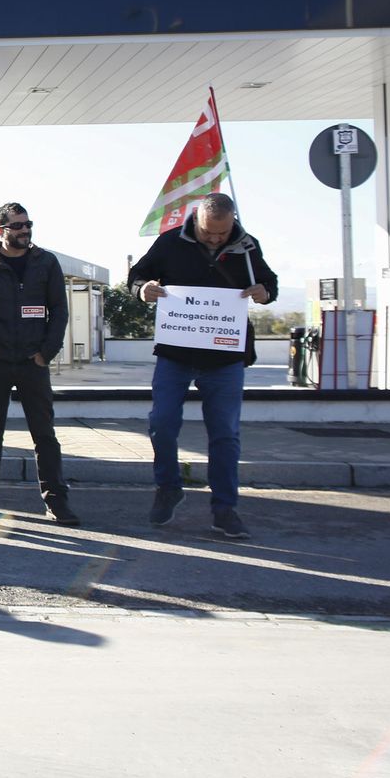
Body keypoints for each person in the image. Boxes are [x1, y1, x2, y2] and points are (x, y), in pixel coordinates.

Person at [129, 192, 277, 539]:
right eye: (209, 232)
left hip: (225, 359)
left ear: (233, 224)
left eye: (221, 234)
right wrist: (143, 289)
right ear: (196, 220)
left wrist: (263, 293)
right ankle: (169, 487)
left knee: (225, 435)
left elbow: (270, 284)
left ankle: (225, 509)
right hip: (175, 355)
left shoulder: (247, 245)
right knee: (161, 423)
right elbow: (136, 277)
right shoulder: (169, 242)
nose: (214, 239)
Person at [0, 203, 80, 525]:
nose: (25, 230)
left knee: (44, 434)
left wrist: (46, 353)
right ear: (1, 231)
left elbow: (59, 312)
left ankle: (56, 501)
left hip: (32, 361)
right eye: (18, 225)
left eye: (28, 224)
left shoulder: (46, 261)